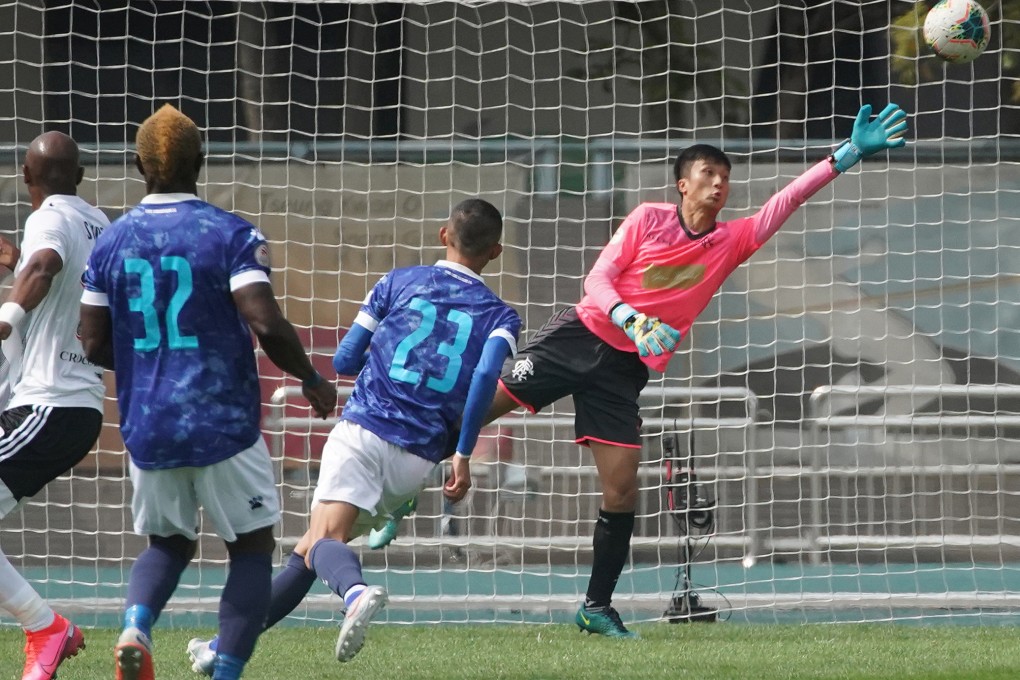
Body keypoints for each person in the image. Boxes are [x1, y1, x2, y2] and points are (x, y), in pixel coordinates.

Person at [380, 102, 909, 637]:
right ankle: (394, 500)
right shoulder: (646, 219)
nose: (719, 184)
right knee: (465, 416)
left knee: (622, 489)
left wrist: (845, 156)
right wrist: (631, 318)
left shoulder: (732, 241)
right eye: (708, 174)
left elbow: (787, 199)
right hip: (577, 338)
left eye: (725, 177)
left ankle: (596, 606)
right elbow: (597, 283)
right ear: (682, 184)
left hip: (621, 372)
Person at [186, 197, 521, 674]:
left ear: (443, 235)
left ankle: (356, 593)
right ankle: (223, 648)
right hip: (417, 463)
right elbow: (487, 375)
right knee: (308, 552)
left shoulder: (397, 282)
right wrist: (463, 453)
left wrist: (383, 359)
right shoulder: (501, 316)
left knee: (324, 539)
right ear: (495, 251)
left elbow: (344, 360)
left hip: (365, 430)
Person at [78, 104, 338, 680]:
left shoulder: (110, 243)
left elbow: (92, 343)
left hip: (148, 423)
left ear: (136, 165)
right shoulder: (230, 234)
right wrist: (311, 380)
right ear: (203, 161)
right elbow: (266, 324)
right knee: (249, 547)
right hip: (223, 423)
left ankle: (136, 625)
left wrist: (154, 366)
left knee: (167, 542)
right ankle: (224, 673)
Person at [0, 131, 110, 680]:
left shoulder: (47, 218)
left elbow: (44, 266)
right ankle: (43, 627)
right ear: (82, 176)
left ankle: (43, 626)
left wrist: (7, 316)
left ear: (27, 180)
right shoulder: (104, 226)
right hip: (80, 405)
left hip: (47, 403)